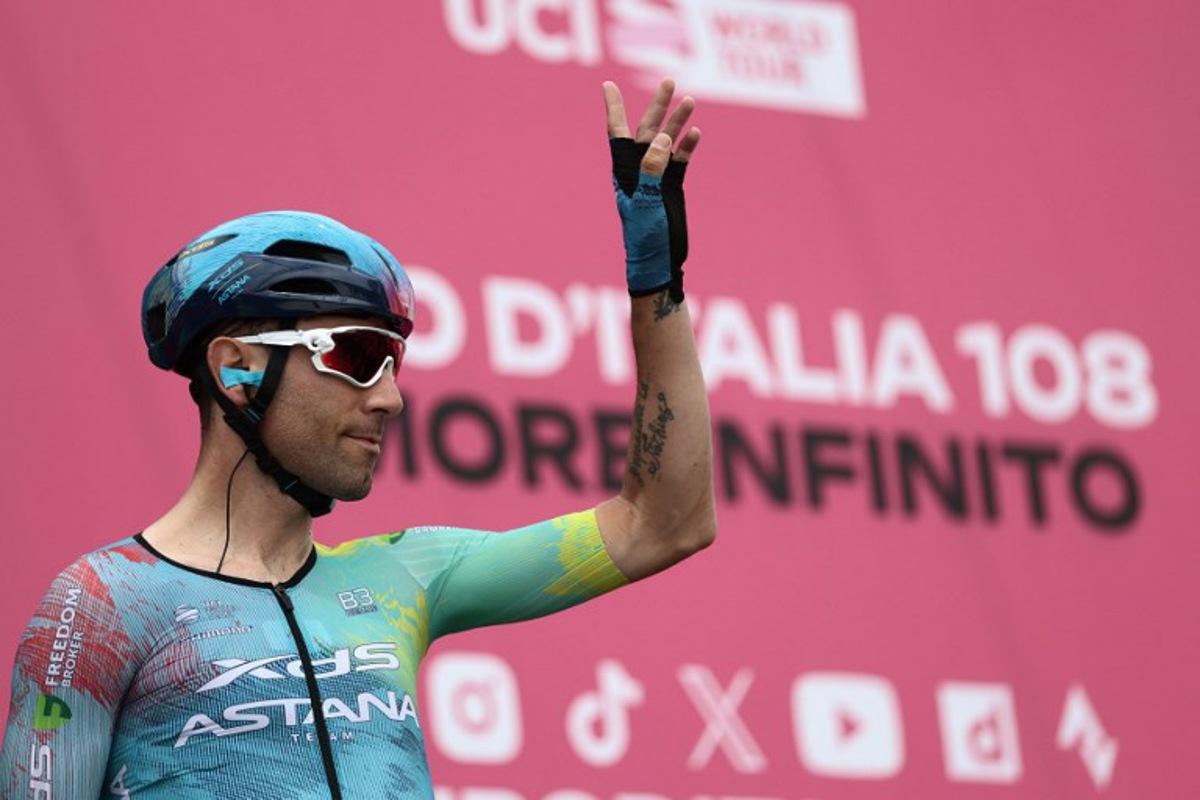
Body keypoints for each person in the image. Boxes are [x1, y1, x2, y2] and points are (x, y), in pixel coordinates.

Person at [1, 77, 713, 799]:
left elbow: (664, 523)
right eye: (356, 356)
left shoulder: (403, 580)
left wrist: (657, 284)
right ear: (238, 369)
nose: (391, 398)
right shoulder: (102, 604)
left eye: (395, 363)